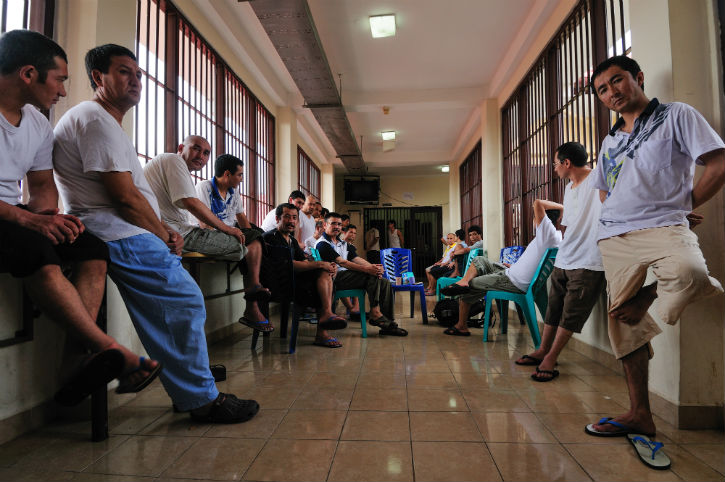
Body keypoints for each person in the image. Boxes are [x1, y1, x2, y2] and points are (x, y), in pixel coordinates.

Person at [52, 43, 258, 423]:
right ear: (98, 77)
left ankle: (191, 392)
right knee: (184, 300)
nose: (136, 81)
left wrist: (162, 231)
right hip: (117, 232)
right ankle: (201, 400)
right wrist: (164, 233)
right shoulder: (96, 120)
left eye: (139, 74)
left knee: (181, 303)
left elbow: (130, 196)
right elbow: (124, 197)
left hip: (121, 230)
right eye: (124, 72)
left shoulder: (104, 122)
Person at [0, 30, 160, 406]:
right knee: (39, 253)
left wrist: (47, 217)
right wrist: (29, 222)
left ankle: (77, 362)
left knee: (91, 248)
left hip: (15, 216)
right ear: (28, 74)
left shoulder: (38, 124)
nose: (62, 91)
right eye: (59, 80)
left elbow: (42, 186)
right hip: (10, 219)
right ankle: (112, 350)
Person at [583, 56, 725, 437]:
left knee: (691, 273)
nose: (611, 93)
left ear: (638, 78)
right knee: (621, 322)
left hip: (665, 225)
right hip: (615, 236)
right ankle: (640, 413)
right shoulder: (610, 140)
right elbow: (604, 189)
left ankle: (646, 298)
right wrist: (619, 210)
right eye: (602, 90)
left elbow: (718, 163)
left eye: (617, 81)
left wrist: (685, 204)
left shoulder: (677, 115)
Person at [143, 144, 270, 332]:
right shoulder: (191, 176)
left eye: (206, 153)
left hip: (197, 231)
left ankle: (254, 293)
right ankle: (252, 296)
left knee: (258, 239)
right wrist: (229, 230)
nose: (201, 156)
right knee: (246, 247)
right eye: (240, 175)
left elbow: (242, 218)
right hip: (195, 233)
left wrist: (246, 233)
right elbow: (197, 215)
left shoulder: (232, 192)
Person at [514, 142, 606, 382]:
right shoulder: (569, 188)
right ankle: (543, 350)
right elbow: (570, 223)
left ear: (567, 163)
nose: (554, 169)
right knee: (553, 308)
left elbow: (627, 199)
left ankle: (551, 358)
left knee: (571, 313)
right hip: (565, 257)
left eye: (556, 164)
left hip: (589, 260)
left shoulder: (599, 177)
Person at [440, 200, 562, 336]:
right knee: (480, 260)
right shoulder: (554, 237)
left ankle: (461, 325)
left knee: (470, 285)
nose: (534, 220)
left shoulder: (547, 232)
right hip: (511, 272)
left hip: (512, 281)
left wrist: (563, 209)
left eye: (535, 217)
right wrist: (514, 266)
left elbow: (537, 203)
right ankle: (464, 281)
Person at [261, 203, 347, 347]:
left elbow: (304, 261)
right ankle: (324, 327)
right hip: (278, 286)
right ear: (277, 219)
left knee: (325, 276)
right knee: (321, 279)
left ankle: (325, 320)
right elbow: (288, 265)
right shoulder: (270, 237)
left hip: (294, 282)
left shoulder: (292, 240)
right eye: (287, 217)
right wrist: (319, 264)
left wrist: (327, 266)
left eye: (294, 217)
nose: (291, 221)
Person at [316, 212, 407, 336]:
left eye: (339, 224)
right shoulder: (322, 244)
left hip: (348, 277)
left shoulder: (343, 243)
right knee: (370, 274)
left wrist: (374, 268)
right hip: (334, 279)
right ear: (325, 225)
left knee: (385, 282)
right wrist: (368, 270)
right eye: (333, 224)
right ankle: (375, 312)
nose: (337, 227)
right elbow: (342, 262)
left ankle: (387, 323)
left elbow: (357, 259)